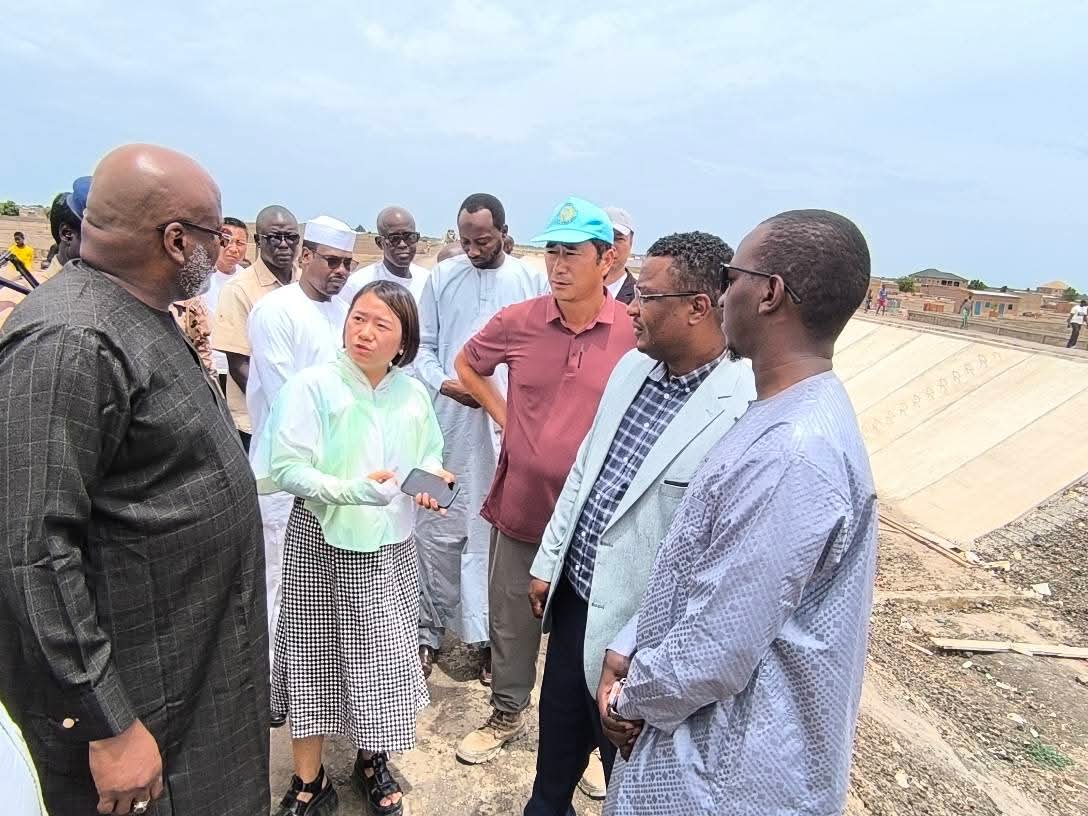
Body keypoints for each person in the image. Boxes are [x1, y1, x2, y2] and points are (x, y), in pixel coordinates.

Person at [0, 143, 268, 816]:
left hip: (190, 681)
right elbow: (31, 553)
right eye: (216, 234)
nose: (224, 247)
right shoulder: (70, 341)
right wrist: (107, 724)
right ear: (177, 241)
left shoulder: (132, 311)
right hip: (142, 709)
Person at [599, 209, 878, 816]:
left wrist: (628, 697)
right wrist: (631, 643)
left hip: (725, 774)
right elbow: (700, 569)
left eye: (733, 275)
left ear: (770, 293)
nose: (724, 292)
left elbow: (714, 651)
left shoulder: (793, 453)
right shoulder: (785, 414)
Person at [523, 231, 755, 813]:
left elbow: (716, 564)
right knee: (552, 778)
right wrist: (549, 561)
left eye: (646, 297)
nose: (629, 307)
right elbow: (585, 472)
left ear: (698, 307)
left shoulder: (742, 408)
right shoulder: (631, 368)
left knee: (630, 781)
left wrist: (645, 665)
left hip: (643, 646)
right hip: (578, 605)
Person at [257, 281, 452, 816]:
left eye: (381, 325)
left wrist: (433, 482)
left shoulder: (412, 395)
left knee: (382, 660)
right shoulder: (313, 386)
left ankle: (372, 759)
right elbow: (285, 468)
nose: (364, 332)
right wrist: (352, 491)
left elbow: (429, 455)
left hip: (389, 549)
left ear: (404, 341)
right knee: (310, 661)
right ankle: (309, 779)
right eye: (358, 318)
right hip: (320, 543)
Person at [453, 196, 636, 765]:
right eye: (551, 252)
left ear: (605, 260)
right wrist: (506, 417)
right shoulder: (520, 321)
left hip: (592, 522)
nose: (557, 266)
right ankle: (507, 710)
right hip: (523, 504)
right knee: (511, 619)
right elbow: (467, 364)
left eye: (571, 254)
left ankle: (588, 736)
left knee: (588, 630)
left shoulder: (633, 332)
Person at [414, 193, 547, 683]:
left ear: (505, 233)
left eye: (483, 241)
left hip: (508, 428)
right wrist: (445, 383)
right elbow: (422, 348)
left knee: (496, 541)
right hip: (447, 425)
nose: (472, 250)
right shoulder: (442, 278)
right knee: (436, 531)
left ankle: (490, 642)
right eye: (465, 241)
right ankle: (426, 634)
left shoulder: (530, 279)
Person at [247, 215, 354, 680]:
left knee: (319, 585)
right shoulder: (275, 311)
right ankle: (273, 679)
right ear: (306, 255)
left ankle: (313, 677)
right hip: (284, 472)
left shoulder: (344, 311)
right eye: (332, 261)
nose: (341, 271)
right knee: (279, 577)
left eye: (348, 263)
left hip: (333, 471)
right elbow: (286, 394)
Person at [213, 204, 300, 450]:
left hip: (306, 419)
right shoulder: (239, 289)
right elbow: (239, 365)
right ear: (258, 240)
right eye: (274, 237)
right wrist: (284, 408)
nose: (284, 244)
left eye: (291, 237)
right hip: (258, 421)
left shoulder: (305, 284)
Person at [341, 206, 429, 303]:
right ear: (380, 243)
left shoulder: (428, 281)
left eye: (409, 237)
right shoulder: (359, 284)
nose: (403, 244)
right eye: (394, 238)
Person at [204, 216, 249, 388]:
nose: (233, 248)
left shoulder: (247, 279)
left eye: (240, 243)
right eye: (227, 241)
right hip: (208, 366)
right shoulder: (201, 277)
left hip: (238, 366)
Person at [603, 207, 636, 304]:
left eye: (618, 239)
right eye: (605, 238)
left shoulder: (641, 298)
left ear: (631, 241)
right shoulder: (572, 290)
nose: (611, 247)